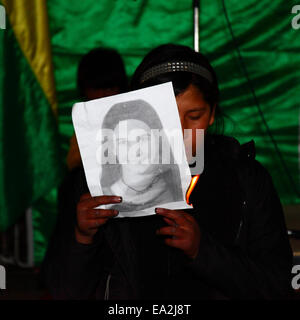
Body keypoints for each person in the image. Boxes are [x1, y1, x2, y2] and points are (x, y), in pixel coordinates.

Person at [42, 44, 293, 299]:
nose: (179, 133)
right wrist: (82, 237)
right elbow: (62, 290)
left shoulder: (246, 180)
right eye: (165, 118)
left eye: (194, 116)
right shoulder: (99, 183)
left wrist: (202, 251)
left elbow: (277, 283)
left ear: (212, 114)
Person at [100, 99, 183, 212]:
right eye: (123, 142)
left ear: (157, 140)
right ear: (113, 149)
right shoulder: (101, 199)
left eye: (143, 139)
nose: (135, 151)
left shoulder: (179, 189)